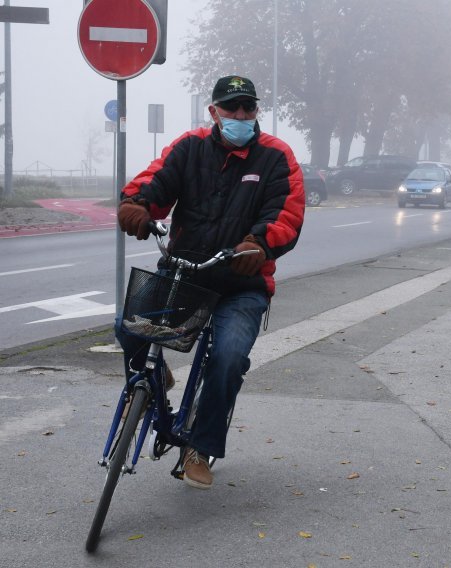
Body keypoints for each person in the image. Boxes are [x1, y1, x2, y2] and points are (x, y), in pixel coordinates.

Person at [116, 75, 305, 489]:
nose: (240, 115)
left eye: (248, 108)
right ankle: (146, 380)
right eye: (231, 107)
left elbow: (286, 214)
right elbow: (156, 182)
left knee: (229, 359)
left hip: (242, 284)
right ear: (213, 112)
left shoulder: (276, 157)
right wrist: (137, 206)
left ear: (256, 112)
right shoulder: (190, 146)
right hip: (184, 271)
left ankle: (199, 448)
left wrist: (258, 244)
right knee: (127, 326)